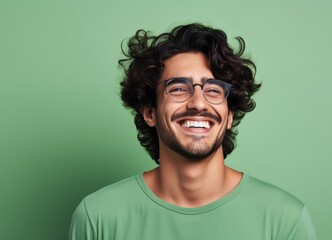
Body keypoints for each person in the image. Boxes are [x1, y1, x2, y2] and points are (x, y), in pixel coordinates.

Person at [69, 23, 317, 240]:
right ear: (150, 113)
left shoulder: (285, 219)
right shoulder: (97, 217)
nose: (198, 102)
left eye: (213, 90)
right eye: (177, 88)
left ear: (229, 115)